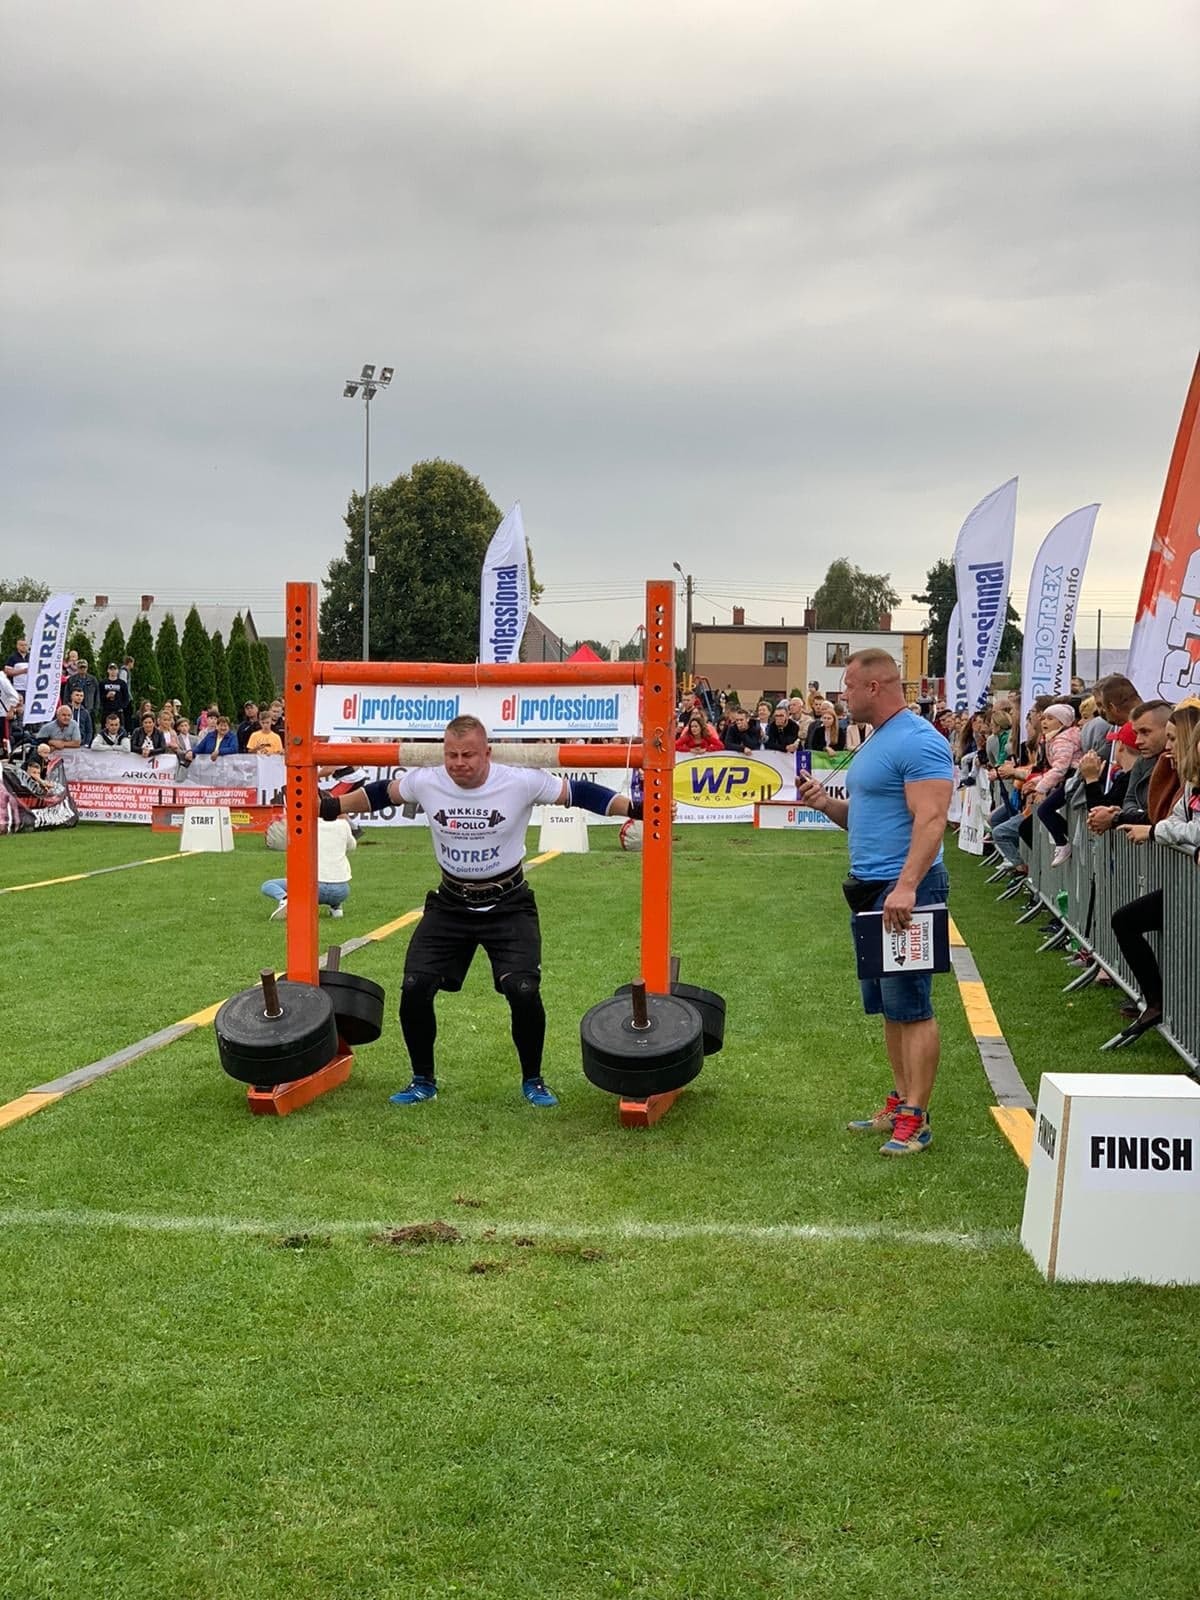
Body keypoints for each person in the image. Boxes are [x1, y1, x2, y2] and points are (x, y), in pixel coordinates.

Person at [318, 714, 643, 1108]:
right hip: (450, 903)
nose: (459, 763)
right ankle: (422, 1081)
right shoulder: (427, 780)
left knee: (523, 990)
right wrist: (332, 806)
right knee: (415, 987)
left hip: (509, 904)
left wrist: (636, 808)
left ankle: (534, 1081)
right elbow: (381, 793)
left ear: (486, 752)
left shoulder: (520, 781)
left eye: (468, 755)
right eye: (452, 755)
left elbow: (579, 792)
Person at [796, 649, 953, 1155]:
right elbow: (867, 817)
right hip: (871, 888)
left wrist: (906, 886)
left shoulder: (919, 740)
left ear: (874, 687)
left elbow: (931, 818)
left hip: (904, 889)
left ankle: (917, 1117)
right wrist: (826, 804)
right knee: (890, 1005)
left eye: (847, 685)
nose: (841, 694)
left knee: (912, 1004)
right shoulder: (877, 739)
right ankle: (902, 1101)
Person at [262, 815, 356, 921]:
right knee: (332, 875)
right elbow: (352, 846)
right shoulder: (343, 825)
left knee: (269, 885)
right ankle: (336, 907)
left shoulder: (307, 825)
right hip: (342, 891)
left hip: (313, 890)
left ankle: (285, 898)